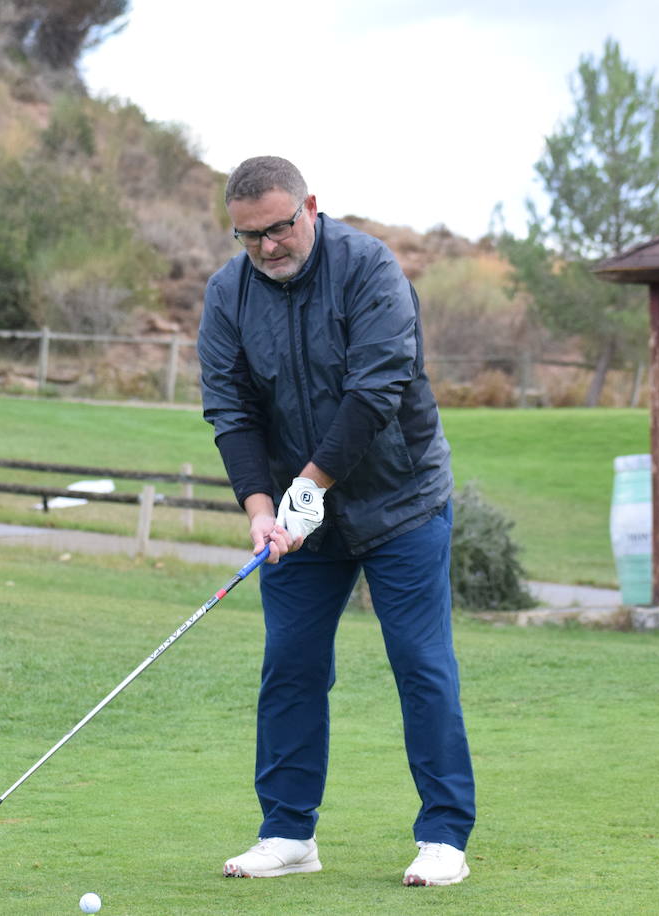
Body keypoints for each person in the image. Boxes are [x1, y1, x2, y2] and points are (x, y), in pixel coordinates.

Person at [196, 155, 476, 887]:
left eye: (279, 229)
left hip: (401, 503)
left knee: (421, 666)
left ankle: (444, 837)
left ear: (310, 208)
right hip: (295, 518)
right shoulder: (228, 294)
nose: (267, 248)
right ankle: (289, 833)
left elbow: (376, 389)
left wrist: (308, 486)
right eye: (249, 236)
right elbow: (231, 411)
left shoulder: (370, 270)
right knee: (289, 665)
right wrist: (262, 509)